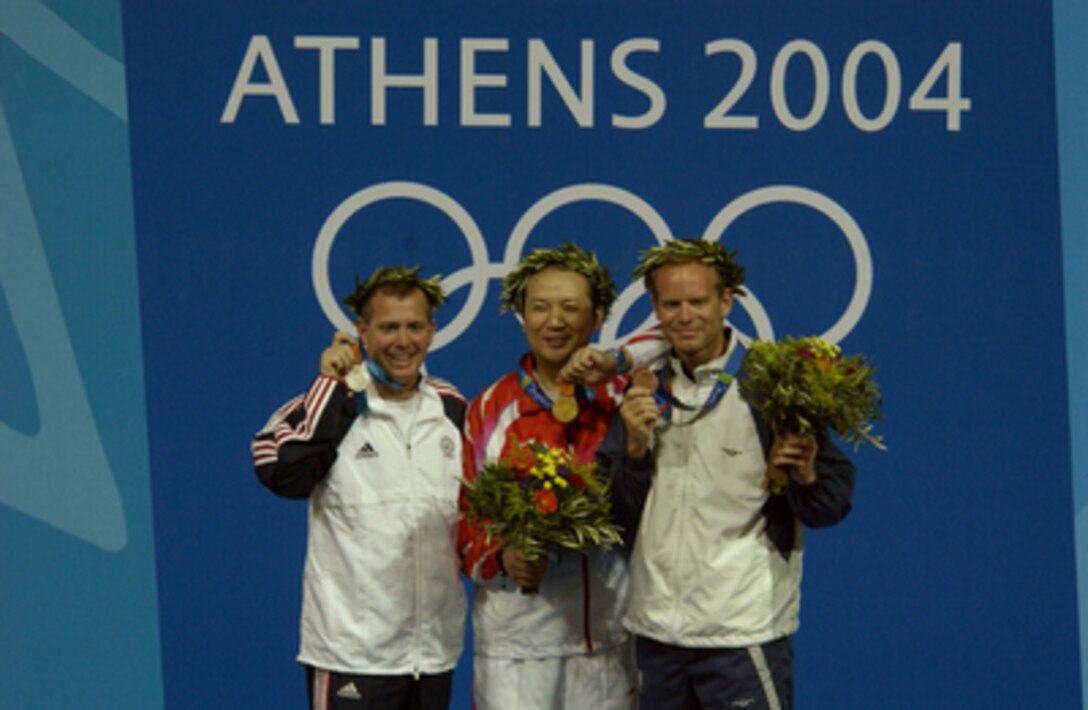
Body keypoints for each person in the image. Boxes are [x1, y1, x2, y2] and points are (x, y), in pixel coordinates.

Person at [593, 239, 856, 710]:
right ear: (655, 309)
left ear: (726, 302)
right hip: (656, 632)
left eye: (698, 301)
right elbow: (616, 518)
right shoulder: (643, 387)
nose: (685, 315)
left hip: (742, 632)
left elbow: (829, 505)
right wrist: (633, 449)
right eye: (672, 304)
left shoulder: (771, 383)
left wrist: (806, 474)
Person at [251, 266, 468, 710]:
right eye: (388, 328)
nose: (402, 341)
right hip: (351, 652)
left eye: (414, 327)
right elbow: (282, 474)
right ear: (362, 332)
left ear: (433, 330)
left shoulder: (453, 408)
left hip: (433, 654)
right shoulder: (334, 403)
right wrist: (330, 385)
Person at [459, 242, 660, 709]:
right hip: (518, 645)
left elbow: (678, 332)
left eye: (571, 307)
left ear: (598, 316)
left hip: (606, 642)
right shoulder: (490, 409)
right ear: (522, 316)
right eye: (541, 307)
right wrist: (500, 555)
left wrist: (618, 365)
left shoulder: (625, 400)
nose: (555, 321)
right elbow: (464, 518)